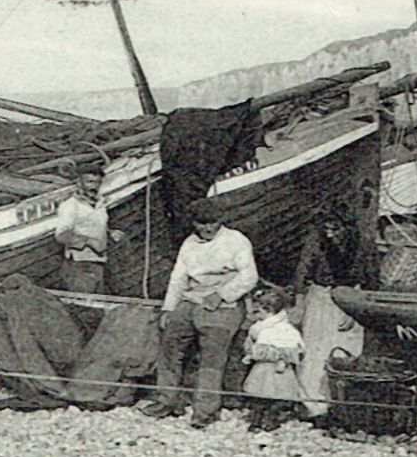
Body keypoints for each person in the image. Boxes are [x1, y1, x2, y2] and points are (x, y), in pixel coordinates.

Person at [140, 195, 258, 428]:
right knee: (170, 345)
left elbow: (249, 276)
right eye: (201, 223)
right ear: (193, 223)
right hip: (193, 298)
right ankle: (166, 400)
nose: (207, 228)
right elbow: (178, 279)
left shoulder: (236, 240)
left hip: (224, 300)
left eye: (212, 222)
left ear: (220, 221)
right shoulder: (189, 244)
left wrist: (221, 295)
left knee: (212, 355)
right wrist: (168, 309)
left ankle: (205, 411)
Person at [50, 167, 123, 294]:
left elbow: (95, 224)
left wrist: (110, 233)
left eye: (97, 183)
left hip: (99, 262)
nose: (93, 186)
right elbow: (61, 235)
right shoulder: (70, 206)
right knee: (84, 305)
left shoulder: (100, 204)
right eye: (89, 182)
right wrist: (87, 241)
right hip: (79, 264)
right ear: (79, 182)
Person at [241, 284, 303, 432]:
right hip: (262, 367)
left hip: (276, 368)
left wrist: (281, 356)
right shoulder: (261, 327)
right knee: (259, 395)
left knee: (275, 395)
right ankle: (257, 418)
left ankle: (270, 418)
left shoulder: (283, 329)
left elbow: (297, 347)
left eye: (259, 311)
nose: (257, 315)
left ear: (268, 311)